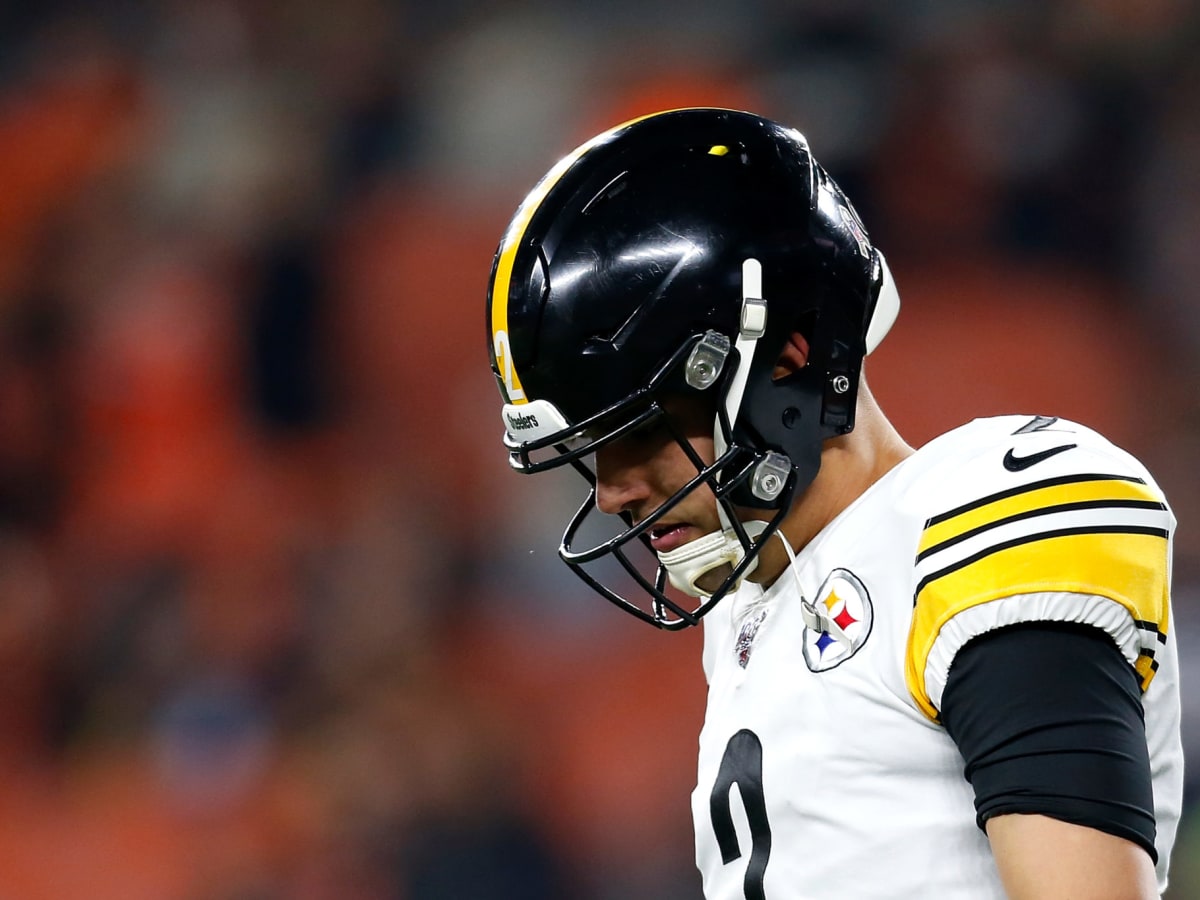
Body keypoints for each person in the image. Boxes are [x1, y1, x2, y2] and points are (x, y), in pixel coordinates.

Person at [483, 108, 1183, 899]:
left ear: (787, 360)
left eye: (642, 431)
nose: (611, 492)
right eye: (591, 453)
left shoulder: (982, 513)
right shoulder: (752, 614)